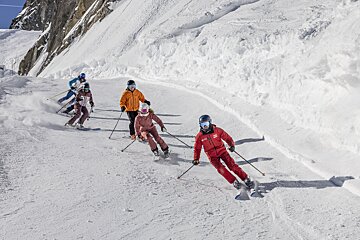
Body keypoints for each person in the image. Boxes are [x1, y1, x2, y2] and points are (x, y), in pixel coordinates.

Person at [193, 115, 255, 190]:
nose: (205, 126)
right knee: (220, 169)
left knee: (232, 165)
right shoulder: (200, 136)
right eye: (202, 125)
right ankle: (234, 181)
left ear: (210, 123)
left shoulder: (217, 130)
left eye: (206, 124)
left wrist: (231, 145)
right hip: (212, 156)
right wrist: (196, 158)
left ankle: (246, 178)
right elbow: (197, 148)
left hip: (222, 151)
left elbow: (227, 137)